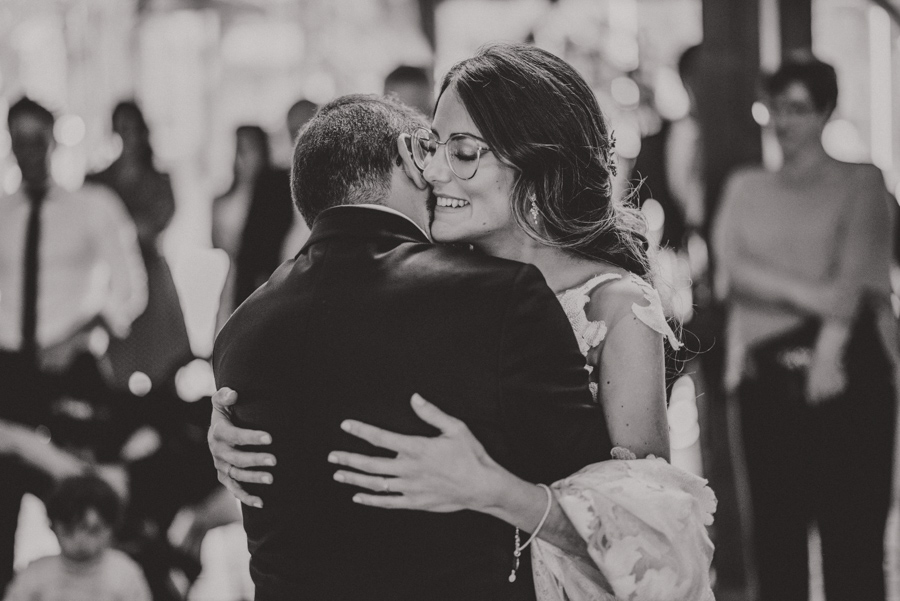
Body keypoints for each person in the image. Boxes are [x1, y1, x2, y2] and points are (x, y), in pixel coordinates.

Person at [211, 44, 716, 600]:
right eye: (432, 147)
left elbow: (654, 541)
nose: (432, 170)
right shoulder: (427, 287)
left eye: (463, 152)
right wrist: (241, 421)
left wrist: (495, 491)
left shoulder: (617, 307)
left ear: (534, 161)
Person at [713, 57, 898, 601]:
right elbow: (728, 273)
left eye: (798, 108)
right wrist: (817, 293)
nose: (782, 122)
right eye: (773, 107)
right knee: (775, 550)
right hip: (765, 383)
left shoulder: (862, 181)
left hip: (849, 378)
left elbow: (860, 275)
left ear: (825, 111)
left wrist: (827, 350)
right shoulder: (745, 186)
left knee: (855, 551)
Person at [0, 97, 147, 593]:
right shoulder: (1, 213)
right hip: (6, 372)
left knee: (88, 508)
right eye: (18, 142)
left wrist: (83, 332)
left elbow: (130, 291)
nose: (28, 152)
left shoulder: (94, 207)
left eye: (36, 140)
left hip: (71, 374)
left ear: (54, 141)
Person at [86, 100, 193, 392]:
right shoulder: (97, 181)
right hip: (111, 279)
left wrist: (119, 226)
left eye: (133, 127)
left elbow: (156, 224)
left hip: (153, 276)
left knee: (163, 365)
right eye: (122, 128)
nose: (129, 134)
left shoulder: (159, 178)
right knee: (115, 369)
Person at [2, 474, 151, 601]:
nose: (80, 540)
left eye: (93, 530)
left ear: (111, 530)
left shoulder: (125, 574)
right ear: (53, 527)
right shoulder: (36, 574)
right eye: (69, 530)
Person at [212, 126, 293, 331]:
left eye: (249, 148)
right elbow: (216, 243)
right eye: (238, 148)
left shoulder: (277, 191)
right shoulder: (223, 197)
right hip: (234, 276)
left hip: (264, 276)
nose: (242, 156)